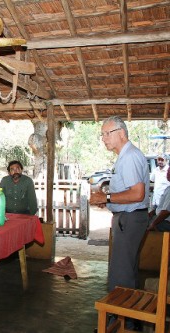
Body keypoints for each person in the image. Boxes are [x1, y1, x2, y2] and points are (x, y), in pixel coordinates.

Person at [90, 116, 149, 330]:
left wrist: (105, 198)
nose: (103, 138)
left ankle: (120, 322)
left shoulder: (130, 156)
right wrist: (108, 197)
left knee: (120, 274)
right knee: (128, 271)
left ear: (121, 133)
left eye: (107, 133)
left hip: (130, 219)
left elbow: (137, 193)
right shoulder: (125, 156)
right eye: (102, 134)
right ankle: (130, 321)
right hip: (130, 219)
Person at [148, 167, 170, 231]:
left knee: (141, 226)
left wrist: (153, 224)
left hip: (165, 222)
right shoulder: (168, 188)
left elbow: (166, 211)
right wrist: (153, 211)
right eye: (168, 171)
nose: (168, 173)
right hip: (161, 218)